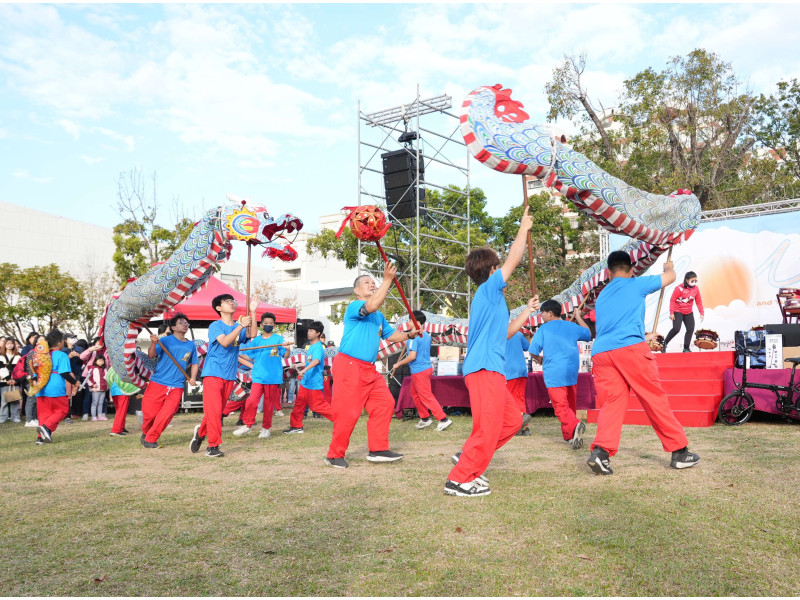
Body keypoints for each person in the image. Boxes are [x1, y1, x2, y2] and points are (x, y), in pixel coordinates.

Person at [445, 205, 539, 497]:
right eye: (499, 267)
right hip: (484, 368)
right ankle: (459, 479)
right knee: (487, 428)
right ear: (492, 270)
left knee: (512, 421)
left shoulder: (494, 300)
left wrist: (527, 312)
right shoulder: (488, 290)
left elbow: (507, 333)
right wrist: (523, 228)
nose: (503, 271)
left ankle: (469, 459)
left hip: (492, 369)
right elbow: (514, 259)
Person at [587, 250, 700, 475]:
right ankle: (679, 452)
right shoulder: (635, 284)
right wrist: (668, 268)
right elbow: (670, 278)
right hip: (629, 350)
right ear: (631, 271)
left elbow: (614, 326)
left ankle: (601, 452)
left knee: (612, 402)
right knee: (653, 398)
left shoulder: (602, 295)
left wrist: (644, 336)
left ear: (609, 273)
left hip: (602, 353)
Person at [325, 262, 420, 468]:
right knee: (348, 413)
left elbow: (391, 335)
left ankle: (378, 449)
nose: (372, 284)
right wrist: (387, 280)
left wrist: (409, 335)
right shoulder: (354, 307)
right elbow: (372, 305)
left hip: (369, 368)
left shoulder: (378, 317)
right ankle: (334, 454)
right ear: (357, 291)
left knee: (385, 404)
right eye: (366, 282)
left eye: (373, 282)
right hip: (349, 365)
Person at [189, 294, 255, 458]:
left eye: (232, 301)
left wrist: (253, 312)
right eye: (227, 301)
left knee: (217, 412)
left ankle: (200, 432)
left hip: (229, 375)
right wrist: (241, 326)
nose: (231, 303)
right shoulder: (215, 326)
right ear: (219, 308)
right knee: (214, 411)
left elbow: (252, 334)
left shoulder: (238, 326)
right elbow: (225, 342)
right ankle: (213, 446)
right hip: (213, 372)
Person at [528, 300, 592, 449]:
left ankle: (575, 425)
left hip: (554, 372)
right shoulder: (571, 326)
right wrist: (578, 317)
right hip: (571, 371)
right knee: (570, 405)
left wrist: (539, 359)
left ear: (550, 313)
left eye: (542, 313)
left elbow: (533, 350)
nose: (541, 316)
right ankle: (570, 436)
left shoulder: (544, 329)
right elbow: (588, 334)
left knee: (560, 407)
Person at [227, 311, 292, 439]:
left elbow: (285, 355)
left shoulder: (278, 339)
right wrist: (237, 353)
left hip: (273, 377)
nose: (268, 325)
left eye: (271, 323)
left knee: (268, 405)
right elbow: (250, 356)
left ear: (274, 325)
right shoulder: (256, 340)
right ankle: (248, 425)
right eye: (266, 323)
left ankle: (266, 428)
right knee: (251, 401)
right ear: (261, 325)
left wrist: (288, 349)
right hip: (258, 376)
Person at [140, 313, 198, 447]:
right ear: (173, 327)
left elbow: (194, 363)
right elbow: (151, 355)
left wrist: (193, 378)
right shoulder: (165, 340)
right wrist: (153, 343)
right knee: (150, 414)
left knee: (168, 413)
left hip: (177, 385)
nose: (185, 325)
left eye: (187, 323)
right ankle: (146, 432)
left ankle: (151, 438)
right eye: (181, 323)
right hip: (158, 381)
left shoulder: (191, 345)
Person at [391, 310, 453, 432]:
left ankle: (443, 419)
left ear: (416, 322)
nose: (408, 323)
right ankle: (425, 418)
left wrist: (398, 363)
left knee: (426, 396)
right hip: (424, 369)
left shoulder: (413, 339)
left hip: (419, 370)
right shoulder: (426, 336)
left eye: (410, 321)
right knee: (415, 394)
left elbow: (412, 356)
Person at [285, 321, 333, 434]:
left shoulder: (318, 347)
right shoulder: (311, 347)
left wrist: (304, 370)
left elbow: (316, 361)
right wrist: (299, 365)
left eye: (311, 331)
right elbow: (310, 362)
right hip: (306, 382)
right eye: (308, 330)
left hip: (313, 383)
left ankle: (342, 420)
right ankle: (296, 426)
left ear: (318, 333)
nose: (308, 333)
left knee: (318, 406)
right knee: (299, 405)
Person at [35, 329, 78, 445]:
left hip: (41, 387)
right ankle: (46, 427)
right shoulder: (62, 355)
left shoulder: (41, 355)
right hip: (56, 387)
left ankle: (40, 439)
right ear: (59, 343)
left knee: (44, 414)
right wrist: (75, 382)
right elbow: (64, 373)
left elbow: (34, 373)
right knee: (63, 410)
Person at [504, 298, 539, 436]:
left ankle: (515, 425)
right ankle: (524, 427)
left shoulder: (497, 333)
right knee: (519, 399)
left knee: (508, 401)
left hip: (507, 371)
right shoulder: (517, 333)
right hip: (521, 371)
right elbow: (528, 348)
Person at [663, 271, 704, 353]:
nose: (694, 282)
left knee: (690, 329)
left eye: (695, 281)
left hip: (688, 312)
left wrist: (701, 313)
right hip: (678, 311)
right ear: (687, 280)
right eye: (692, 281)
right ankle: (664, 344)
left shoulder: (696, 289)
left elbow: (698, 301)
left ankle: (686, 348)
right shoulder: (679, 288)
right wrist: (671, 313)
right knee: (676, 329)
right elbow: (672, 300)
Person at [0, 338, 22, 423]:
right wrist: (8, 379)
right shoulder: (1, 356)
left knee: (15, 400)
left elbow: (20, 369)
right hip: (4, 381)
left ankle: (15, 416)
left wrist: (16, 379)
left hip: (15, 381)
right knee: (4, 400)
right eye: (8, 343)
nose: (10, 345)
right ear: (5, 345)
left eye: (11, 343)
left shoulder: (18, 356)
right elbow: (1, 369)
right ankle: (3, 417)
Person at [87, 356, 108, 421]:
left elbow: (107, 378)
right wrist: (93, 384)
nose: (101, 362)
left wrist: (107, 386)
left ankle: (100, 415)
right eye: (99, 360)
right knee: (95, 402)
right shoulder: (92, 369)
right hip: (96, 389)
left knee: (101, 403)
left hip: (103, 388)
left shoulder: (105, 369)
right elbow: (89, 378)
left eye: (102, 360)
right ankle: (93, 416)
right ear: (96, 361)